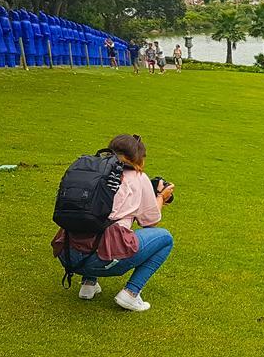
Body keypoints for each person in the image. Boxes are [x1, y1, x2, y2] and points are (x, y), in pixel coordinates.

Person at [51, 134, 175, 312]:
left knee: (95, 220)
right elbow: (150, 221)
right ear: (139, 157)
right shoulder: (138, 178)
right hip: (100, 259)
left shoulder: (92, 172)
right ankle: (131, 293)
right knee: (164, 238)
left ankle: (88, 284)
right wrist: (161, 196)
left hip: (67, 253)